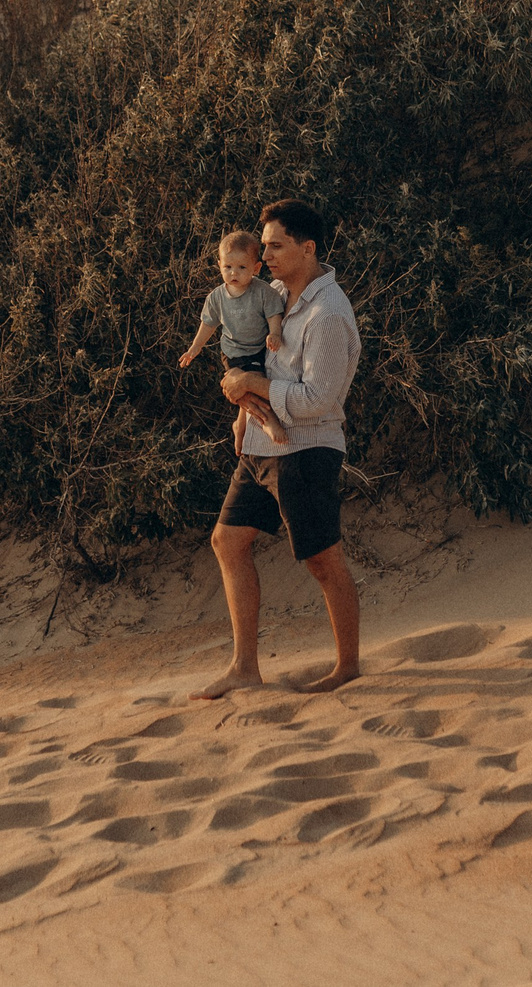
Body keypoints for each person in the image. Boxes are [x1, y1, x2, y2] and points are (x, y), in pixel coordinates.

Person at [192, 199, 363, 700]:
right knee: (227, 541)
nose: (263, 255)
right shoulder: (274, 296)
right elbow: (260, 362)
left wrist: (252, 385)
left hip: (307, 450)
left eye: (274, 246)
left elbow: (319, 399)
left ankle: (347, 668)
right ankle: (244, 667)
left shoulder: (328, 314)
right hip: (261, 445)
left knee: (323, 560)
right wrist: (243, 408)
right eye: (263, 245)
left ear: (307, 249)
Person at [179, 229, 291, 445]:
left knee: (253, 383)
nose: (234, 273)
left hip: (258, 349)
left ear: (256, 268)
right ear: (219, 265)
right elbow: (208, 324)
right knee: (250, 383)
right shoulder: (216, 297)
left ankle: (240, 425)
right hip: (233, 352)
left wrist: (275, 333)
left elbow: (273, 314)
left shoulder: (263, 292)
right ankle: (268, 421)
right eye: (228, 267)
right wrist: (195, 348)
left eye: (242, 267)